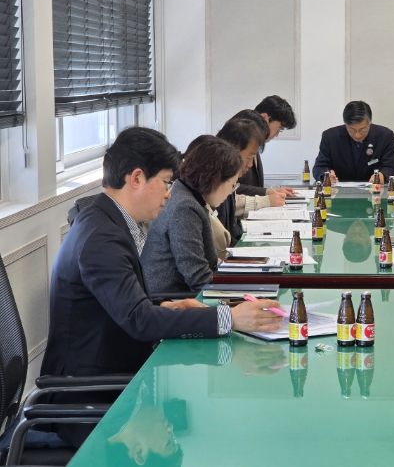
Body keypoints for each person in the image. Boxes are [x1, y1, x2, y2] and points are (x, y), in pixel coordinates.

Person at [40, 127, 282, 445]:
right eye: (167, 182)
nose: (170, 193)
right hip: (91, 402)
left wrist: (168, 306)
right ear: (137, 178)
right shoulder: (102, 239)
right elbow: (139, 321)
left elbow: (129, 307)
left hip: (116, 378)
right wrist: (229, 318)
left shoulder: (107, 221)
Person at [141, 136, 242, 292]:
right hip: (172, 298)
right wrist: (240, 290)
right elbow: (197, 277)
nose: (230, 192)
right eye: (232, 185)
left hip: (183, 293)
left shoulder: (186, 194)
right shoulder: (185, 207)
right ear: (215, 179)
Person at [215, 117, 285, 245]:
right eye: (250, 157)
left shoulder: (227, 181)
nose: (251, 164)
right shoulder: (215, 185)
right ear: (234, 149)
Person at [312, 100, 394, 183]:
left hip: (374, 188)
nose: (357, 135)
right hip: (339, 189)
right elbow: (319, 167)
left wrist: (382, 175)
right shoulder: (330, 137)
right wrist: (326, 176)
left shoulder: (385, 136)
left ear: (369, 123)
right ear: (345, 124)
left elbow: (390, 167)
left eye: (362, 129)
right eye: (352, 130)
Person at [235, 98, 297, 197]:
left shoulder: (255, 141)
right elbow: (230, 187)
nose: (277, 134)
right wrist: (266, 193)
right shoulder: (237, 139)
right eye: (280, 128)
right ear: (265, 118)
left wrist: (271, 191)